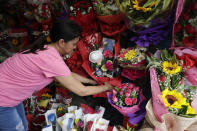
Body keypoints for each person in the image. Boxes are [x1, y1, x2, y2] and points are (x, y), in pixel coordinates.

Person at [0, 19, 113, 131]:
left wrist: (91, 81)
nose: (75, 47)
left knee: (23, 126)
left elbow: (67, 74)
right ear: (62, 42)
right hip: (3, 99)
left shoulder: (46, 49)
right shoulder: (51, 60)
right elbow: (81, 91)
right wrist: (106, 88)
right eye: (73, 44)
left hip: (9, 93)